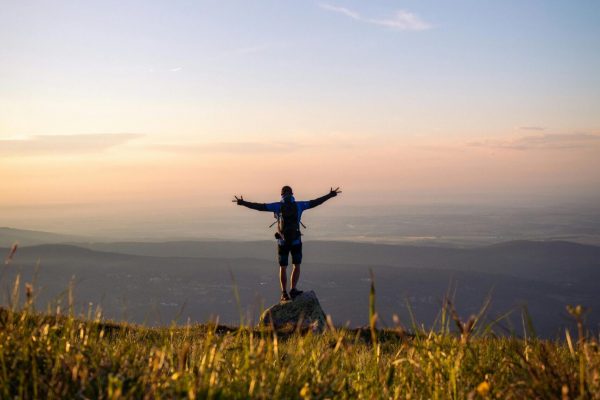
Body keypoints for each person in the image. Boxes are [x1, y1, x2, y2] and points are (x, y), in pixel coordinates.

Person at [233, 186, 341, 301]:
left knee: (283, 267)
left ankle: (284, 293)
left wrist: (243, 203)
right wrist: (330, 195)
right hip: (296, 241)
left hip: (282, 242)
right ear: (292, 194)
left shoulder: (277, 206)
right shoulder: (300, 205)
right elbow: (316, 202)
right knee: (296, 265)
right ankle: (293, 289)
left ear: (281, 195)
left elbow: (259, 207)